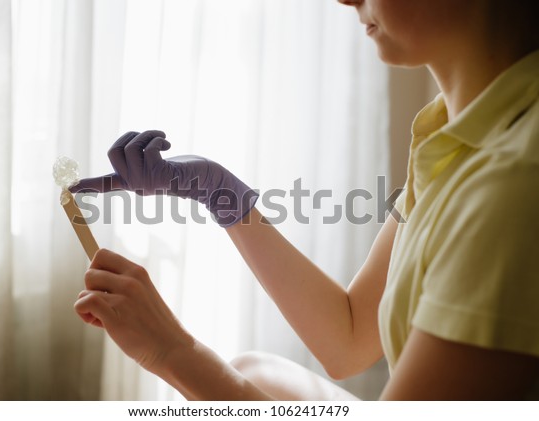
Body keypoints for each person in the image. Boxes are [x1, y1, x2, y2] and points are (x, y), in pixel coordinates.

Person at [70, 0, 539, 400]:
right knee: (255, 371)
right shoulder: (449, 138)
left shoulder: (513, 183)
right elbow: (349, 337)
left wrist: (170, 352)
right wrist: (220, 193)